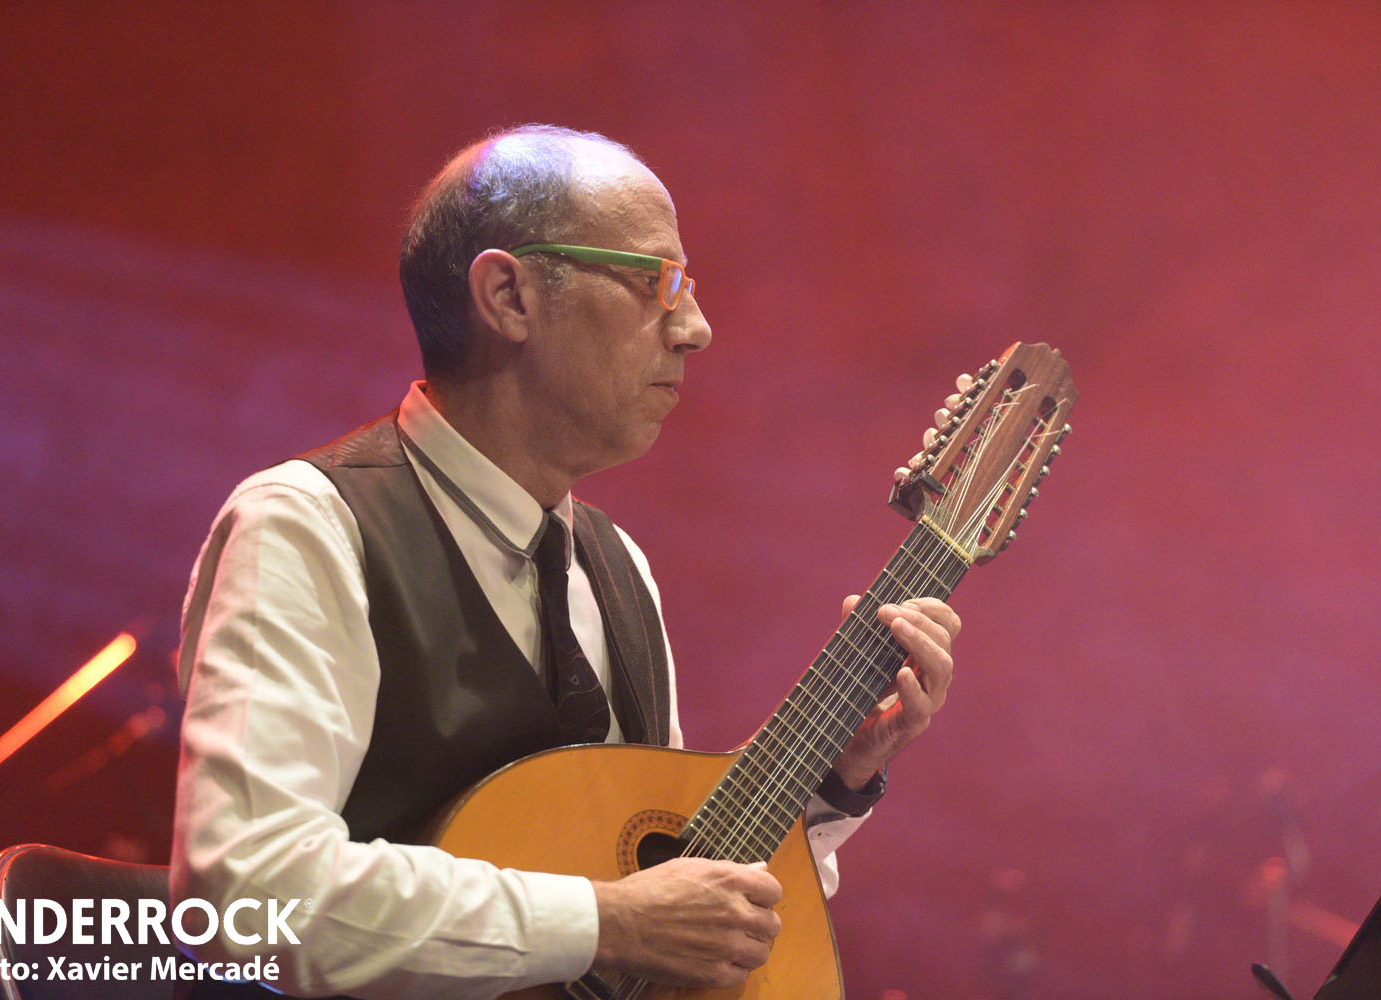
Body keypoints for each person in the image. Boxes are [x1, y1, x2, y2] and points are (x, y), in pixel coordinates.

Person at [170, 124, 961, 999]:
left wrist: (831, 780)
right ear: (509, 296)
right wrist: (605, 922)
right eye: (659, 281)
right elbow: (246, 889)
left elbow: (673, 888)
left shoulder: (617, 565)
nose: (697, 329)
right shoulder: (309, 526)